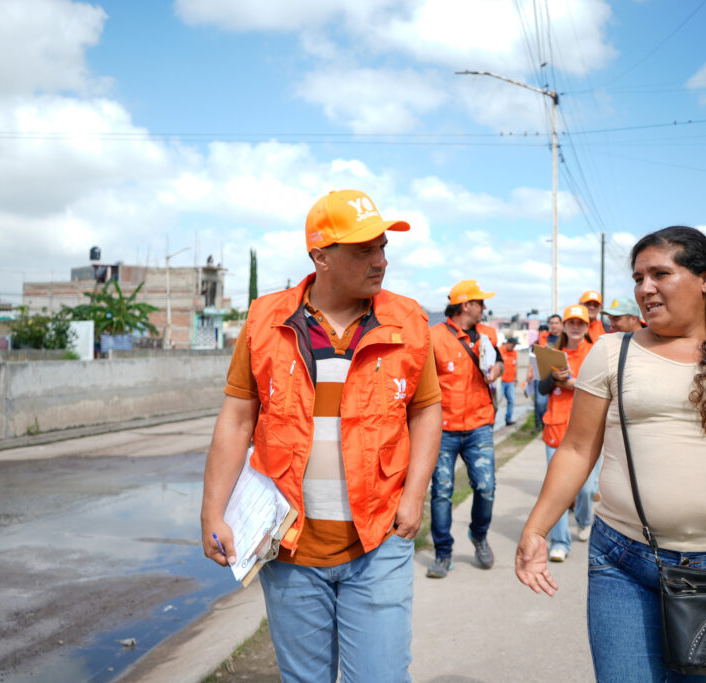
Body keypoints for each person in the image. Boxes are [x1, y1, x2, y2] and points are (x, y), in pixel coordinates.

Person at [516, 226, 706, 682]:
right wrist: (537, 528)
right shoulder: (611, 352)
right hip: (623, 562)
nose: (645, 288)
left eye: (660, 273)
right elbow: (578, 449)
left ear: (705, 279)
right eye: (638, 277)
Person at [200, 189, 442, 682]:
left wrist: (414, 496)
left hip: (378, 541)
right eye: (363, 251)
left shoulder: (409, 321)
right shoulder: (266, 321)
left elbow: (426, 410)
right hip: (290, 548)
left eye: (382, 247)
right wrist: (213, 511)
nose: (380, 261)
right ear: (320, 256)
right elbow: (237, 419)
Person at [428, 279, 504, 578]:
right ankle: (442, 553)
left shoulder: (488, 334)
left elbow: (497, 361)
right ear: (465, 305)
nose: (484, 307)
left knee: (486, 487)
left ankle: (479, 535)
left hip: (479, 426)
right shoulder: (434, 337)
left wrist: (496, 370)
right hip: (443, 429)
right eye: (480, 302)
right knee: (442, 492)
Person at [538, 304, 595, 561]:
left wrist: (573, 383)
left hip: (587, 430)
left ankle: (584, 519)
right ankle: (560, 542)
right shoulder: (553, 354)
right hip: (556, 427)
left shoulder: (596, 354)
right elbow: (542, 390)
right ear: (564, 325)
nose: (575, 326)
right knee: (557, 490)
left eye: (580, 323)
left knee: (585, 489)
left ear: (586, 326)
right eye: (570, 322)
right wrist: (554, 378)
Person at [527, 314, 562, 430]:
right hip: (542, 375)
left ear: (561, 324)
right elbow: (532, 356)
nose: (554, 325)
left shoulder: (565, 338)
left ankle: (554, 426)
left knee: (558, 404)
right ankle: (544, 425)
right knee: (540, 403)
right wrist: (530, 372)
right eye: (551, 323)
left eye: (556, 323)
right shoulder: (543, 338)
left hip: (559, 376)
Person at [499, 335, 519, 426]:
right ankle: (491, 421)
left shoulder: (514, 353)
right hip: (500, 381)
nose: (513, 347)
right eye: (513, 345)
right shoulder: (500, 350)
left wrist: (516, 379)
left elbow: (516, 366)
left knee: (511, 400)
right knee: (497, 401)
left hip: (510, 381)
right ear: (508, 343)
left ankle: (508, 419)